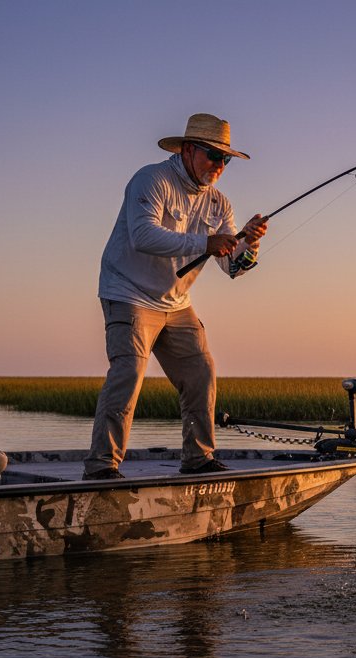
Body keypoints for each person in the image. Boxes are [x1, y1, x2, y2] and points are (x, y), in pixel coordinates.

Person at [83, 113, 268, 481]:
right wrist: (206, 243)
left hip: (176, 303)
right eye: (212, 155)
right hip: (127, 292)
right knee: (128, 373)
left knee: (201, 372)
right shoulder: (151, 179)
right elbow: (142, 236)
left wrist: (249, 244)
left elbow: (233, 268)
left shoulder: (220, 204)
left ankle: (198, 459)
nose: (219, 165)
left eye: (225, 159)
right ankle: (102, 466)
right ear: (187, 150)